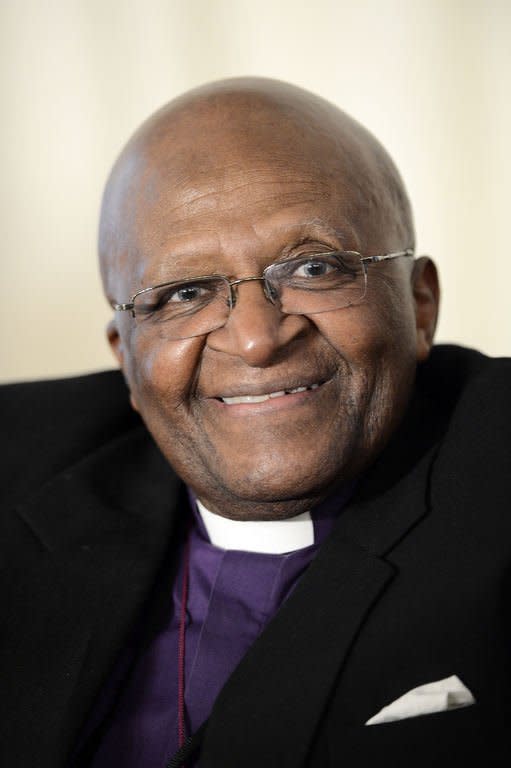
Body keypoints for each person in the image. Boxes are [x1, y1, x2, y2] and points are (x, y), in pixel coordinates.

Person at [1, 77, 510, 768]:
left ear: (419, 306)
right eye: (184, 292)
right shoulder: (21, 462)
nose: (254, 338)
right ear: (125, 359)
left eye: (313, 266)